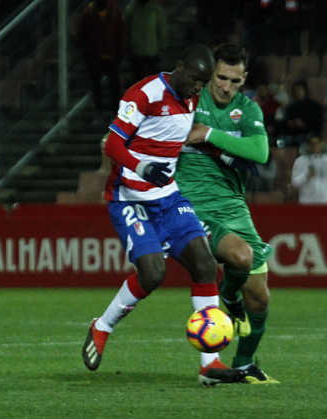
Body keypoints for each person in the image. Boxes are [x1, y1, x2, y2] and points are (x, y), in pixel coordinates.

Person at [81, 45, 247, 385]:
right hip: (130, 198)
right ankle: (102, 325)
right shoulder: (144, 94)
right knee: (153, 272)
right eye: (195, 80)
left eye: (204, 82)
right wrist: (143, 165)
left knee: (204, 264)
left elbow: (175, 136)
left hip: (168, 197)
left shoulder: (192, 97)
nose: (198, 88)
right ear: (180, 67)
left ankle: (210, 364)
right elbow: (112, 145)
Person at [173, 44, 279, 384]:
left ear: (243, 79)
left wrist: (208, 135)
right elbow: (144, 123)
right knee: (241, 256)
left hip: (234, 206)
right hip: (191, 204)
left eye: (234, 80)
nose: (225, 87)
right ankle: (227, 301)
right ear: (209, 74)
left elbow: (260, 151)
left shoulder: (247, 110)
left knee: (260, 297)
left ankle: (244, 363)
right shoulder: (190, 100)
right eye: (220, 77)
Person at [77, 0, 126, 125]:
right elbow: (82, 37)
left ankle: (114, 113)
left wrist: (120, 52)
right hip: (95, 56)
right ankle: (99, 113)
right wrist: (87, 54)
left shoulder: (114, 12)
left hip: (111, 55)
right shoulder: (88, 14)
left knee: (114, 85)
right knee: (96, 86)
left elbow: (120, 33)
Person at [123, 0, 168, 84]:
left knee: (152, 79)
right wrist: (127, 47)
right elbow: (126, 30)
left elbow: (161, 29)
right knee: (137, 78)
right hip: (136, 51)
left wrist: (162, 47)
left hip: (152, 52)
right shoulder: (131, 9)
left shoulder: (155, 9)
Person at [290, 133, 327, 204]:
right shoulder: (300, 161)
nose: (315, 146)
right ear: (308, 145)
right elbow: (295, 183)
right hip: (307, 202)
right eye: (312, 144)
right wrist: (307, 175)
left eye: (318, 143)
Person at [278, 78, 324, 147]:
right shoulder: (290, 107)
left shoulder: (314, 106)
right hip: (292, 136)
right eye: (296, 90)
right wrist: (290, 124)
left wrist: (304, 125)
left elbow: (318, 126)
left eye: (300, 89)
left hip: (307, 136)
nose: (298, 92)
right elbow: (284, 125)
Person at [252, 80, 281, 145]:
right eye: (259, 89)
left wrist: (272, 128)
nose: (262, 91)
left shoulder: (274, 105)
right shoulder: (251, 105)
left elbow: (278, 121)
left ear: (267, 90)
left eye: (264, 89)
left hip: (271, 134)